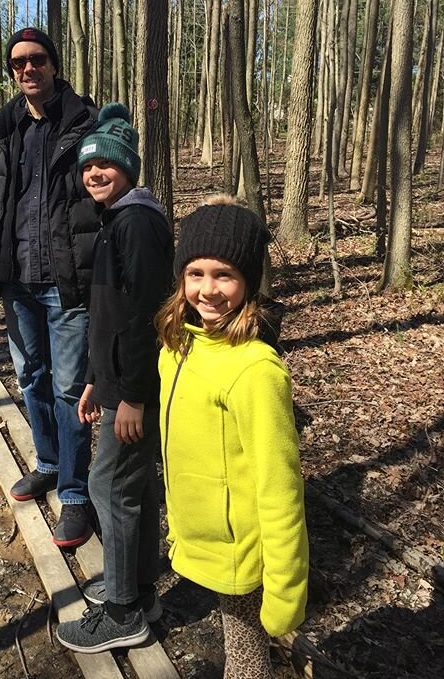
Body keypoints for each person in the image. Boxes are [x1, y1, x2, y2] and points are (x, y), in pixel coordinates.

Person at [155, 196, 308, 679]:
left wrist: (285, 590)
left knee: (245, 661)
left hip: (242, 548)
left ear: (248, 280)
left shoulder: (255, 370)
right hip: (206, 537)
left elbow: (281, 489)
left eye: (224, 275)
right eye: (196, 273)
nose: (208, 290)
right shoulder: (181, 345)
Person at [0, 27, 100, 548]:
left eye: (37, 60)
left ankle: (74, 492)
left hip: (66, 283)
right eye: (18, 63)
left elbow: (102, 196)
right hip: (17, 281)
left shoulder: (84, 123)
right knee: (32, 378)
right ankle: (48, 463)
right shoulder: (7, 129)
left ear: (54, 65)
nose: (27, 69)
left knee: (71, 390)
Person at [55, 104, 174, 653]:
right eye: (87, 168)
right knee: (136, 486)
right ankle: (141, 589)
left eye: (106, 165)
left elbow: (145, 316)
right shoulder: (116, 220)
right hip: (121, 384)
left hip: (137, 389)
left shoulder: (136, 223)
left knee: (109, 485)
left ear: (129, 169)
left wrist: (130, 396)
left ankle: (123, 609)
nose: (95, 173)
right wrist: (94, 383)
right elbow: (109, 320)